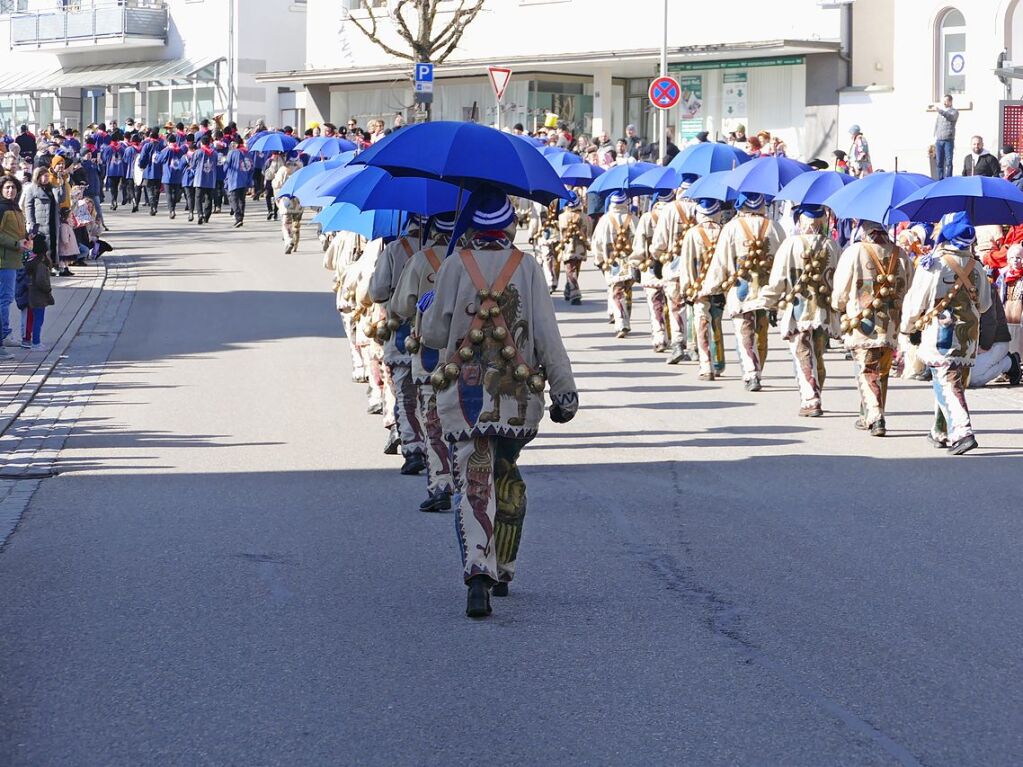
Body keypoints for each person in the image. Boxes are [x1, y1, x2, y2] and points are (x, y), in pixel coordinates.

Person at [419, 187, 578, 618]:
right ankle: (504, 567)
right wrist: (565, 390)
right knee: (506, 475)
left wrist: (429, 305)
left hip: (465, 396)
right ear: (508, 226)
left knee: (474, 481)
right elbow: (546, 335)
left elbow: (433, 337)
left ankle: (477, 571)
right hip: (516, 398)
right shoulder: (526, 267)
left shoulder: (453, 265)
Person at [900, 212, 989, 454]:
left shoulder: (935, 263)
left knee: (947, 380)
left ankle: (962, 431)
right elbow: (985, 304)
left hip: (941, 332)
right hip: (969, 335)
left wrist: (908, 328)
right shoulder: (977, 266)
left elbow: (917, 300)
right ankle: (939, 430)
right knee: (948, 378)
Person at [389, 212, 458, 513]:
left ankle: (441, 483)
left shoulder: (419, 259)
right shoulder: (466, 259)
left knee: (433, 421)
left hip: (430, 354)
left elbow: (399, 305)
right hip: (465, 355)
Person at [832, 219, 914, 436]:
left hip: (863, 323)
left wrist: (839, 306)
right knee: (881, 370)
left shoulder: (855, 251)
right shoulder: (901, 254)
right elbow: (910, 287)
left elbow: (840, 291)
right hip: (891, 323)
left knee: (867, 369)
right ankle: (867, 414)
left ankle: (876, 417)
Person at [762, 205, 842, 415]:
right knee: (817, 352)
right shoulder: (832, 246)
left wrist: (770, 303)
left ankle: (811, 399)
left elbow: (778, 279)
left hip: (798, 309)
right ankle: (815, 392)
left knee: (802, 353)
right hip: (824, 310)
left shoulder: (791, 244)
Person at [703, 192, 785, 391]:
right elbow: (783, 260)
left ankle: (751, 373)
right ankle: (758, 368)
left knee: (744, 331)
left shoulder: (731, 227)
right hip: (768, 289)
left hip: (741, 289)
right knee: (761, 330)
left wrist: (710, 288)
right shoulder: (774, 226)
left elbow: (721, 260)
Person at [369, 214, 431, 474]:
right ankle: (435, 446)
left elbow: (377, 292)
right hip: (433, 336)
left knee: (405, 394)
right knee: (431, 395)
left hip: (401, 332)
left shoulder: (395, 249)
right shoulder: (446, 249)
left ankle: (413, 446)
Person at [677, 198, 726, 379]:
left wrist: (686, 287)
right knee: (716, 322)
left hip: (698, 285)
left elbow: (687, 262)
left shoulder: (692, 233)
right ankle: (719, 362)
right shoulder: (724, 231)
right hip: (720, 286)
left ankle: (706, 366)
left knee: (701, 324)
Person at [630, 189, 674, 352]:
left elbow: (640, 243)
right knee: (673, 304)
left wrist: (635, 263)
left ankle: (660, 336)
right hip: (672, 265)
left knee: (655, 303)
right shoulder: (677, 215)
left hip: (650, 266)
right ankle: (677, 337)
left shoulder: (648, 217)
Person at [591, 190, 636, 338]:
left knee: (616, 292)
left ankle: (621, 323)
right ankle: (625, 318)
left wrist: (598, 260)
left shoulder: (605, 220)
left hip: (612, 262)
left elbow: (597, 241)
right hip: (630, 261)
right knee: (627, 291)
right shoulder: (633, 219)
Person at [968, 276, 1021, 388]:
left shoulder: (985, 288)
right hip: (973, 346)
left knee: (972, 379)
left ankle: (1009, 363)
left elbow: (990, 322)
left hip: (994, 343)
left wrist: (985, 346)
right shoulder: (957, 286)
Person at [0, 175, 29, 356]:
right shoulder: (2, 208)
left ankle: (4, 335)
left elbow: (19, 231)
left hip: (14, 260)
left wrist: (27, 239)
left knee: (6, 299)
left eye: (13, 187)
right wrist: (16, 243)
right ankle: (3, 337)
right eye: (7, 187)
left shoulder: (15, 209)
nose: (10, 191)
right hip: (4, 261)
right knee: (4, 300)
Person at [15, 234, 54, 350]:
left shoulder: (32, 262)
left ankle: (33, 340)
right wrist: (48, 289)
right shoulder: (40, 264)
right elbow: (42, 281)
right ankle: (35, 342)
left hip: (33, 295)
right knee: (38, 319)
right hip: (38, 296)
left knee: (34, 319)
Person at [556, 194, 591, 304]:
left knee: (570, 270)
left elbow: (560, 233)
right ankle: (568, 290)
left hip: (567, 247)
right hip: (581, 247)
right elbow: (589, 232)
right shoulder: (585, 217)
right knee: (576, 269)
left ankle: (575, 294)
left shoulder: (562, 217)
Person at [23, 167, 59, 273]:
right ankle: (45, 267)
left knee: (53, 244)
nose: (47, 178)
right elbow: (28, 206)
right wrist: (31, 222)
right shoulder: (32, 189)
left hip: (52, 220)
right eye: (45, 176)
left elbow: (60, 199)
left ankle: (53, 265)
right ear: (38, 176)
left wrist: (60, 185)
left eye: (48, 176)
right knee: (42, 246)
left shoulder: (52, 188)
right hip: (40, 223)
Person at [189, 133, 218, 225]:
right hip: (211, 179)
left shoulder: (198, 152)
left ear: (201, 143)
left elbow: (192, 165)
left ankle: (200, 214)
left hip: (200, 179)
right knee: (209, 198)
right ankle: (207, 215)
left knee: (198, 198)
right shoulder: (215, 153)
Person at [224, 137, 254, 228]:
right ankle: (241, 218)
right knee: (242, 200)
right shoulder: (248, 153)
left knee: (233, 199)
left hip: (233, 179)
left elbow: (225, 167)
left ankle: (238, 217)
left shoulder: (232, 152)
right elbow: (251, 167)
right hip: (245, 179)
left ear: (236, 144)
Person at [158, 133, 186, 220]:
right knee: (174, 193)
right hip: (178, 176)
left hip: (167, 175)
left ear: (168, 141)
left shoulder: (166, 150)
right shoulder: (180, 150)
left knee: (169, 194)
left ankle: (171, 210)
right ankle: (173, 208)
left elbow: (159, 160)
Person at [137, 128, 164, 216]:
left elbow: (143, 157)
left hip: (148, 171)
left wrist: (141, 166)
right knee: (157, 190)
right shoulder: (162, 146)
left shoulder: (147, 145)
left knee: (149, 189)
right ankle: (155, 206)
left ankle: (152, 206)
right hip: (159, 172)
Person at [933, 95, 959, 180]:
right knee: (939, 161)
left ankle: (948, 178)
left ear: (950, 101)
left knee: (948, 161)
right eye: (943, 101)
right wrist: (935, 135)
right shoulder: (941, 113)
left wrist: (940, 111)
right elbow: (937, 124)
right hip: (939, 140)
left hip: (948, 140)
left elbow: (950, 117)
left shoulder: (954, 112)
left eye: (946, 101)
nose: (944, 103)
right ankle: (940, 178)